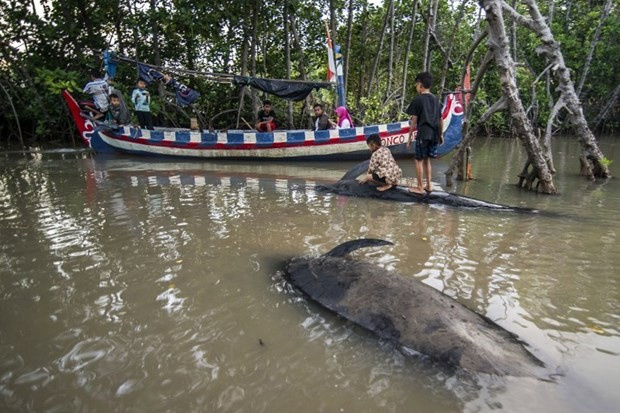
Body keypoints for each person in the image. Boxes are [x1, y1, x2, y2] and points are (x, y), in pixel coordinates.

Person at [405, 72, 443, 195]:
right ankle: (429, 186)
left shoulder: (418, 99)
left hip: (423, 133)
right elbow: (440, 119)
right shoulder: (436, 99)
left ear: (420, 85)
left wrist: (410, 137)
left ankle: (420, 187)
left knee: (418, 160)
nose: (416, 87)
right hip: (434, 134)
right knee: (427, 160)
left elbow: (414, 120)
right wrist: (441, 135)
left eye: (416, 85)